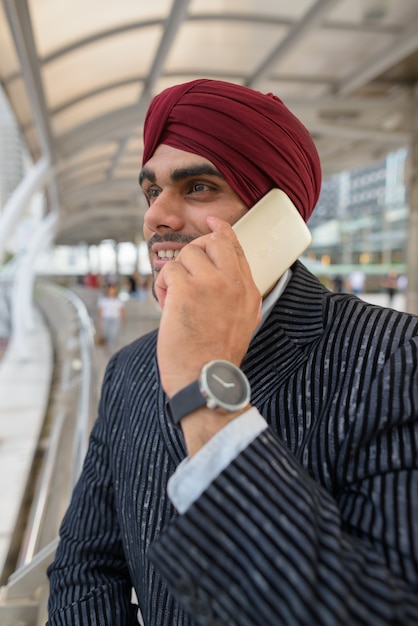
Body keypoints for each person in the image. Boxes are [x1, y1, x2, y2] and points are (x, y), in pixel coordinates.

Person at [47, 79, 418, 625]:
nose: (157, 217)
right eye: (152, 192)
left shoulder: (394, 359)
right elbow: (86, 570)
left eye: (197, 188)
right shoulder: (129, 369)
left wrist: (206, 391)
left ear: (278, 223)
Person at [96, 282, 126, 353]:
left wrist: (123, 320)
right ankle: (107, 349)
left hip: (115, 319)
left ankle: (113, 350)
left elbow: (122, 310)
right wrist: (99, 322)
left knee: (113, 334)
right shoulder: (103, 300)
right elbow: (100, 312)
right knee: (106, 334)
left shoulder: (118, 300)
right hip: (106, 319)